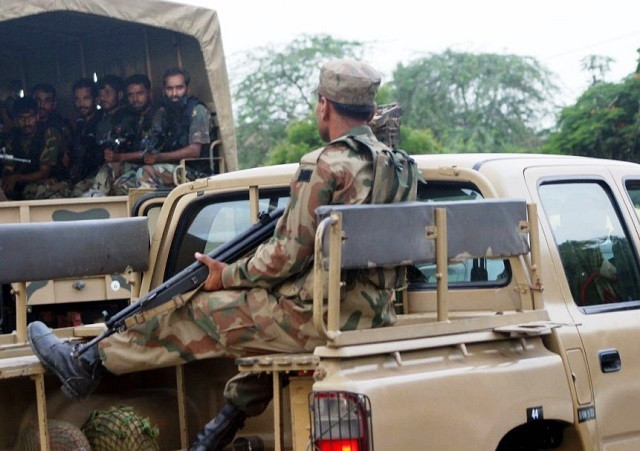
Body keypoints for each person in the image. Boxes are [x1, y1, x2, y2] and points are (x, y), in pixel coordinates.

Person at [26, 59, 418, 450]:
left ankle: (87, 364)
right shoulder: (400, 166)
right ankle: (216, 434)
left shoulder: (327, 164)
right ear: (369, 110)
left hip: (321, 318)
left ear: (324, 105)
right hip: (372, 314)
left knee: (196, 311)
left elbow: (285, 255)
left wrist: (224, 276)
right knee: (262, 336)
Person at [129, 67, 211, 191]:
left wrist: (159, 157)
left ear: (187, 89)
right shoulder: (164, 112)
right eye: (169, 88)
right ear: (164, 91)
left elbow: (194, 151)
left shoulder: (197, 110)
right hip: (170, 168)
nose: (174, 94)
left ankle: (152, 210)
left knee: (144, 173)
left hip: (195, 172)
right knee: (123, 181)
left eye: (179, 88)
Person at [0, 97, 68, 199]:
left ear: (37, 116)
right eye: (22, 118)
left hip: (52, 182)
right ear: (15, 119)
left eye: (30, 117)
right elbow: (9, 167)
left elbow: (45, 172)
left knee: (34, 190)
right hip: (22, 183)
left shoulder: (49, 134)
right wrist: (6, 179)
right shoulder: (13, 137)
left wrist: (17, 178)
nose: (27, 123)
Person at [86, 75, 137, 196]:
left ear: (119, 95)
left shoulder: (128, 117)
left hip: (127, 166)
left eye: (107, 93)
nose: (103, 97)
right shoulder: (99, 118)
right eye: (100, 94)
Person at [110, 74, 159, 195]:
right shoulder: (132, 118)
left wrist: (120, 156)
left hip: (154, 166)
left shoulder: (158, 115)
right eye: (131, 95)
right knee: (111, 168)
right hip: (138, 165)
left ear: (150, 94)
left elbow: (149, 152)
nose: (135, 99)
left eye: (140, 93)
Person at [67, 78, 104, 196]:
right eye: (78, 99)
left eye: (86, 99)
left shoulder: (103, 122)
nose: (81, 104)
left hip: (99, 178)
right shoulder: (79, 124)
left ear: (96, 100)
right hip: (79, 178)